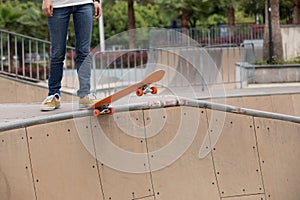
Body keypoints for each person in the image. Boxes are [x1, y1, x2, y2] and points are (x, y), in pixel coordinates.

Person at [40, 0, 102, 111]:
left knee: (84, 52)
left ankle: (85, 95)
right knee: (57, 53)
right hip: (58, 5)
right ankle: (53, 95)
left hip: (84, 3)